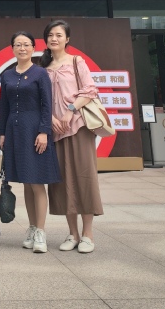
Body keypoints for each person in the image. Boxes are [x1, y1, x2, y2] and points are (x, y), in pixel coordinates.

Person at [41, 20, 104, 254]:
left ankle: (87, 234)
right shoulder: (43, 68)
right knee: (62, 181)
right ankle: (72, 233)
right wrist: (50, 119)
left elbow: (90, 90)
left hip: (78, 126)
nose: (54, 38)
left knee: (84, 177)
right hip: (55, 131)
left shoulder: (77, 62)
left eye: (59, 35)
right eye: (50, 35)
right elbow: (40, 99)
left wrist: (70, 111)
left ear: (67, 39)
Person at [0, 30, 60, 254]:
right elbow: (3, 106)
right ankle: (32, 228)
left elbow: (47, 105)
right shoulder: (7, 75)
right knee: (25, 181)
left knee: (37, 181)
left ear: (33, 48)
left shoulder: (40, 73)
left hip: (34, 131)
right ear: (12, 49)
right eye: (18, 44)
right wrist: (2, 133)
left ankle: (41, 231)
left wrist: (44, 131)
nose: (22, 48)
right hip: (14, 132)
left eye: (26, 44)